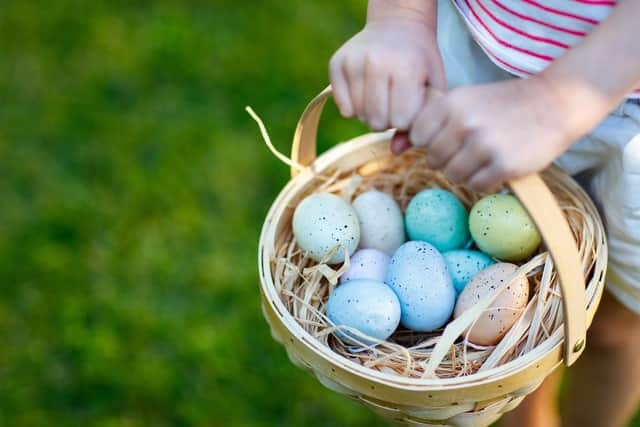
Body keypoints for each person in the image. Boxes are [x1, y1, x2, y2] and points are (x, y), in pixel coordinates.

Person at [328, 1, 640, 426]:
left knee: (616, 327)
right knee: (522, 314)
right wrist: (400, 19)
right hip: (483, 53)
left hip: (628, 106)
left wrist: (556, 100)